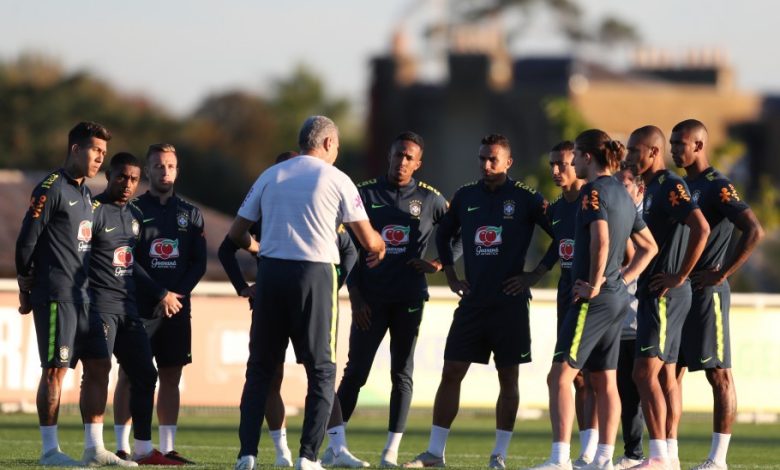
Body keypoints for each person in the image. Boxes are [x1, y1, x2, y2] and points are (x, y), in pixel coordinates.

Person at [228, 115, 386, 470]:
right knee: (321, 370)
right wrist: (380, 246)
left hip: (270, 273)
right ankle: (308, 457)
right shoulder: (336, 178)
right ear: (328, 143)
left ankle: (247, 455)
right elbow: (367, 239)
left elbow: (237, 233)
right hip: (314, 273)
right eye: (338, 146)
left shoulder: (271, 175)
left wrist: (260, 246)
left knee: (259, 370)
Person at [404, 134, 552, 470]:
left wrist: (535, 275)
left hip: (510, 304)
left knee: (508, 378)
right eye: (482, 158)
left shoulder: (527, 198)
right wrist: (451, 276)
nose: (486, 165)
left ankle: (499, 455)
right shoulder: (466, 196)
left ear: (508, 162)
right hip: (473, 303)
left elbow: (561, 235)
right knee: (452, 371)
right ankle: (434, 453)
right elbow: (444, 234)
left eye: (493, 160)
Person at [323, 131, 457, 468]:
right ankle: (334, 446)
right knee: (355, 373)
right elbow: (344, 249)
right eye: (398, 155)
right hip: (370, 300)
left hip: (409, 297)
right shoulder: (364, 193)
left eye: (409, 157)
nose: (402, 162)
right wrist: (356, 297)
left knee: (402, 373)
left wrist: (439, 264)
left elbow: (460, 233)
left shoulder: (430, 199)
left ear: (418, 163)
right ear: (389, 156)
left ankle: (390, 451)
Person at [527, 129, 657, 470]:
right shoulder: (622, 192)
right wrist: (620, 280)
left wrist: (597, 283)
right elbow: (649, 247)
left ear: (585, 156)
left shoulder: (593, 192)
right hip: (616, 299)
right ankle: (603, 459)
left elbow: (600, 238)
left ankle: (559, 460)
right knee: (604, 379)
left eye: (575, 158)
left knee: (559, 377)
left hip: (593, 297)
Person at [218, 150, 357, 468]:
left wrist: (334, 284)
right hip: (300, 292)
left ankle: (254, 454)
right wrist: (243, 285)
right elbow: (229, 246)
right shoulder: (287, 203)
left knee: (269, 372)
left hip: (275, 290)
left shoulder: (280, 193)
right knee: (313, 371)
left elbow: (348, 249)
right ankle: (297, 454)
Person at [15, 121, 137, 466]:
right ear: (75, 149)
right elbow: (26, 243)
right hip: (56, 295)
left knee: (100, 365)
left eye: (103, 153)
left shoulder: (86, 193)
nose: (100, 158)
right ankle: (49, 451)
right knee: (56, 370)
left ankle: (94, 449)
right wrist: (27, 289)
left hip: (86, 298)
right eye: (95, 150)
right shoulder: (50, 188)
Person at [671, 119, 764, 470]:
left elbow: (754, 229)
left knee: (718, 374)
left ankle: (718, 459)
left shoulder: (717, 185)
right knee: (670, 372)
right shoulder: (679, 184)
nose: (675, 150)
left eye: (681, 143)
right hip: (679, 290)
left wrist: (722, 272)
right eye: (671, 144)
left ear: (699, 145)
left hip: (707, 292)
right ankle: (668, 454)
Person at [113, 143, 207, 465]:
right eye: (158, 166)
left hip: (177, 307)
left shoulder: (191, 213)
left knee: (171, 375)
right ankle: (122, 446)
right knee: (129, 373)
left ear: (177, 171)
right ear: (148, 171)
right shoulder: (134, 210)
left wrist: (175, 296)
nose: (164, 172)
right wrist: (159, 294)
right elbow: (129, 261)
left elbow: (198, 263)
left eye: (170, 166)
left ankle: (167, 447)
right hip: (140, 305)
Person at [89, 152, 183, 465]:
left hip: (128, 309)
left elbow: (132, 262)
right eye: (121, 177)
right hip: (99, 306)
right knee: (98, 372)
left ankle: (143, 449)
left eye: (133, 178)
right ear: (108, 175)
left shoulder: (133, 216)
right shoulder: (93, 211)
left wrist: (159, 292)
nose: (128, 184)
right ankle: (95, 447)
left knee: (145, 373)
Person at [624, 125, 710, 470]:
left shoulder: (670, 185)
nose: (631, 156)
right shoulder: (648, 189)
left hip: (666, 293)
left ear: (652, 152)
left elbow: (700, 227)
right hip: (654, 291)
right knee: (664, 376)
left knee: (643, 374)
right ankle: (669, 454)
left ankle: (659, 456)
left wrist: (680, 275)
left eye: (635, 150)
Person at [541, 141, 599, 468]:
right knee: (576, 377)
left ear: (577, 162)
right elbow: (557, 246)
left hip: (593, 296)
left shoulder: (595, 199)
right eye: (552, 164)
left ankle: (596, 451)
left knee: (592, 375)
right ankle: (587, 451)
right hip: (567, 294)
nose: (555, 171)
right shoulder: (558, 208)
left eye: (562, 164)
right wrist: (534, 273)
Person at [613, 164, 647, 470]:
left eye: (624, 185)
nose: (618, 191)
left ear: (639, 189)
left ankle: (663, 451)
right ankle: (632, 452)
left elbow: (640, 253)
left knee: (647, 388)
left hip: (643, 317)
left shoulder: (644, 221)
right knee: (623, 389)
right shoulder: (613, 216)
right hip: (618, 319)